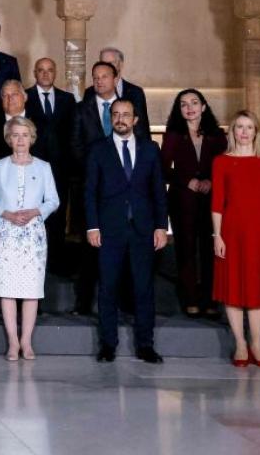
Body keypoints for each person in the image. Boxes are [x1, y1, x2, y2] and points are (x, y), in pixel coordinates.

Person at [85, 98, 167, 364]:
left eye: (126, 114)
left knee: (143, 288)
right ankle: (108, 345)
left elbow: (158, 190)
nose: (120, 119)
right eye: (116, 114)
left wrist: (161, 226)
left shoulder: (151, 149)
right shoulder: (98, 149)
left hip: (143, 229)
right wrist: (92, 226)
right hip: (109, 229)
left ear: (135, 120)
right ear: (111, 118)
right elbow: (90, 191)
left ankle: (146, 345)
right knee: (108, 288)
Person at [0, 117, 60, 361]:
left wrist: (36, 211)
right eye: (15, 135)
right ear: (9, 138)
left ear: (32, 138)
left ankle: (26, 342)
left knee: (30, 289)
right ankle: (12, 342)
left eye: (24, 135)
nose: (20, 140)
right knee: (6, 288)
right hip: (5, 232)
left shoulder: (43, 167)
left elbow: (53, 200)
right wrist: (6, 214)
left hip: (33, 234)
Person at [212, 111, 260, 368]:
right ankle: (241, 344)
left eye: (249, 127)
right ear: (232, 131)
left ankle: (257, 344)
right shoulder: (221, 162)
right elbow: (217, 203)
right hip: (231, 232)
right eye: (239, 127)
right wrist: (218, 236)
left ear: (256, 132)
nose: (244, 132)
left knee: (257, 289)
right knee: (232, 288)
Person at [161, 89, 227, 318]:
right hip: (182, 200)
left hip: (211, 200)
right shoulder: (173, 135)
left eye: (194, 102)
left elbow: (226, 166)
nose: (189, 108)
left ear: (203, 107)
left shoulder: (217, 135)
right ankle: (190, 298)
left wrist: (212, 181)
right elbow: (162, 168)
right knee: (186, 249)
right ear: (179, 110)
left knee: (210, 250)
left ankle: (211, 300)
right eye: (183, 104)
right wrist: (186, 180)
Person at [70, 60, 123, 316]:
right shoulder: (82, 109)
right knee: (88, 247)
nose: (99, 81)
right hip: (90, 187)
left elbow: (141, 140)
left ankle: (122, 302)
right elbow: (75, 146)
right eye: (96, 77)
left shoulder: (127, 107)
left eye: (104, 76)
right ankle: (84, 303)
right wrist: (97, 172)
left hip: (122, 191)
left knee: (121, 247)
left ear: (115, 79)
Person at [25, 57, 76, 274]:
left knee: (58, 215)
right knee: (34, 215)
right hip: (32, 168)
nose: (45, 74)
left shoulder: (68, 99)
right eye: (41, 70)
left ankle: (55, 263)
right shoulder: (25, 97)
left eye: (50, 70)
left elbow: (73, 133)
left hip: (60, 169)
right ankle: (33, 262)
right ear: (35, 73)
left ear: (55, 73)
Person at [86, 47, 151, 142]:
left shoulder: (135, 92)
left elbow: (142, 128)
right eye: (103, 63)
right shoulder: (90, 92)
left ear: (120, 64)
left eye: (111, 63)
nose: (106, 67)